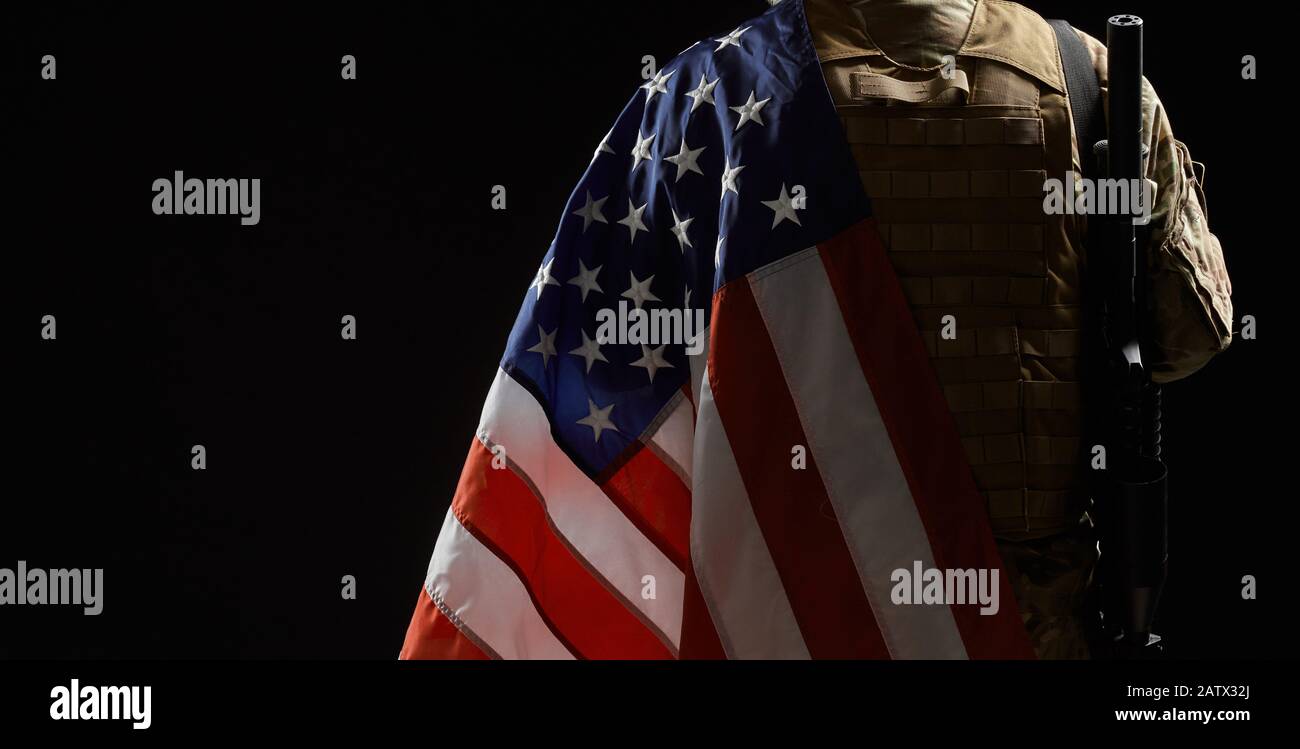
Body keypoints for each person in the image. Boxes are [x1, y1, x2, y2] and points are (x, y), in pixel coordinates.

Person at [805, 0, 1233, 658]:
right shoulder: (1090, 79)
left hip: (797, 605)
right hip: (1025, 627)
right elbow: (1191, 336)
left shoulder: (724, 94)